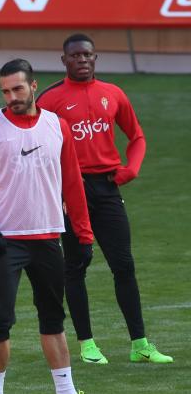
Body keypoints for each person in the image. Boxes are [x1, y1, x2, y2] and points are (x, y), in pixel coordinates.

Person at [0, 59, 111, 394]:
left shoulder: (56, 126)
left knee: (53, 319)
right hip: (4, 242)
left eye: (17, 89)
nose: (11, 97)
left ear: (33, 86)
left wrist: (84, 234)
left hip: (47, 238)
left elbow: (73, 183)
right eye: (5, 91)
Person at [37, 34, 173, 365]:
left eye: (87, 55)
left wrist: (131, 169)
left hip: (108, 190)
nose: (82, 60)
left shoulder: (113, 94)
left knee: (123, 265)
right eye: (75, 56)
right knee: (76, 265)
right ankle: (86, 344)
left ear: (95, 58)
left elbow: (136, 135)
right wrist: (58, 187)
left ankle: (139, 343)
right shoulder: (51, 100)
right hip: (72, 192)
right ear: (64, 60)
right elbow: (38, 146)